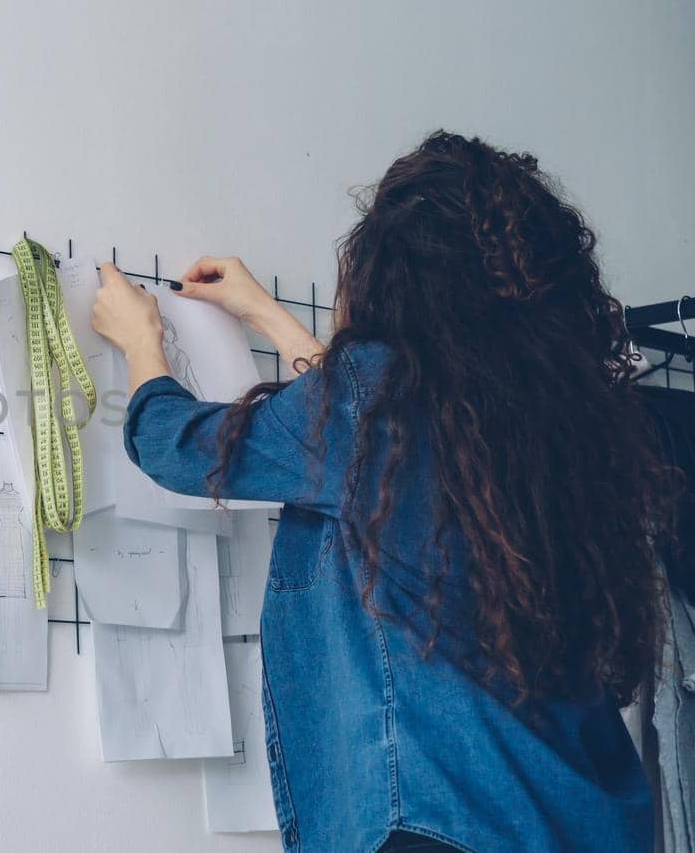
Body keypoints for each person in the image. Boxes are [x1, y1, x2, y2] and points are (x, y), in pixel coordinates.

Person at [92, 131, 672, 852]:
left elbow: (180, 446)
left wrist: (140, 341)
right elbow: (364, 442)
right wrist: (266, 316)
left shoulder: (373, 403)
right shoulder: (558, 427)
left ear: (391, 274)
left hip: (443, 825)